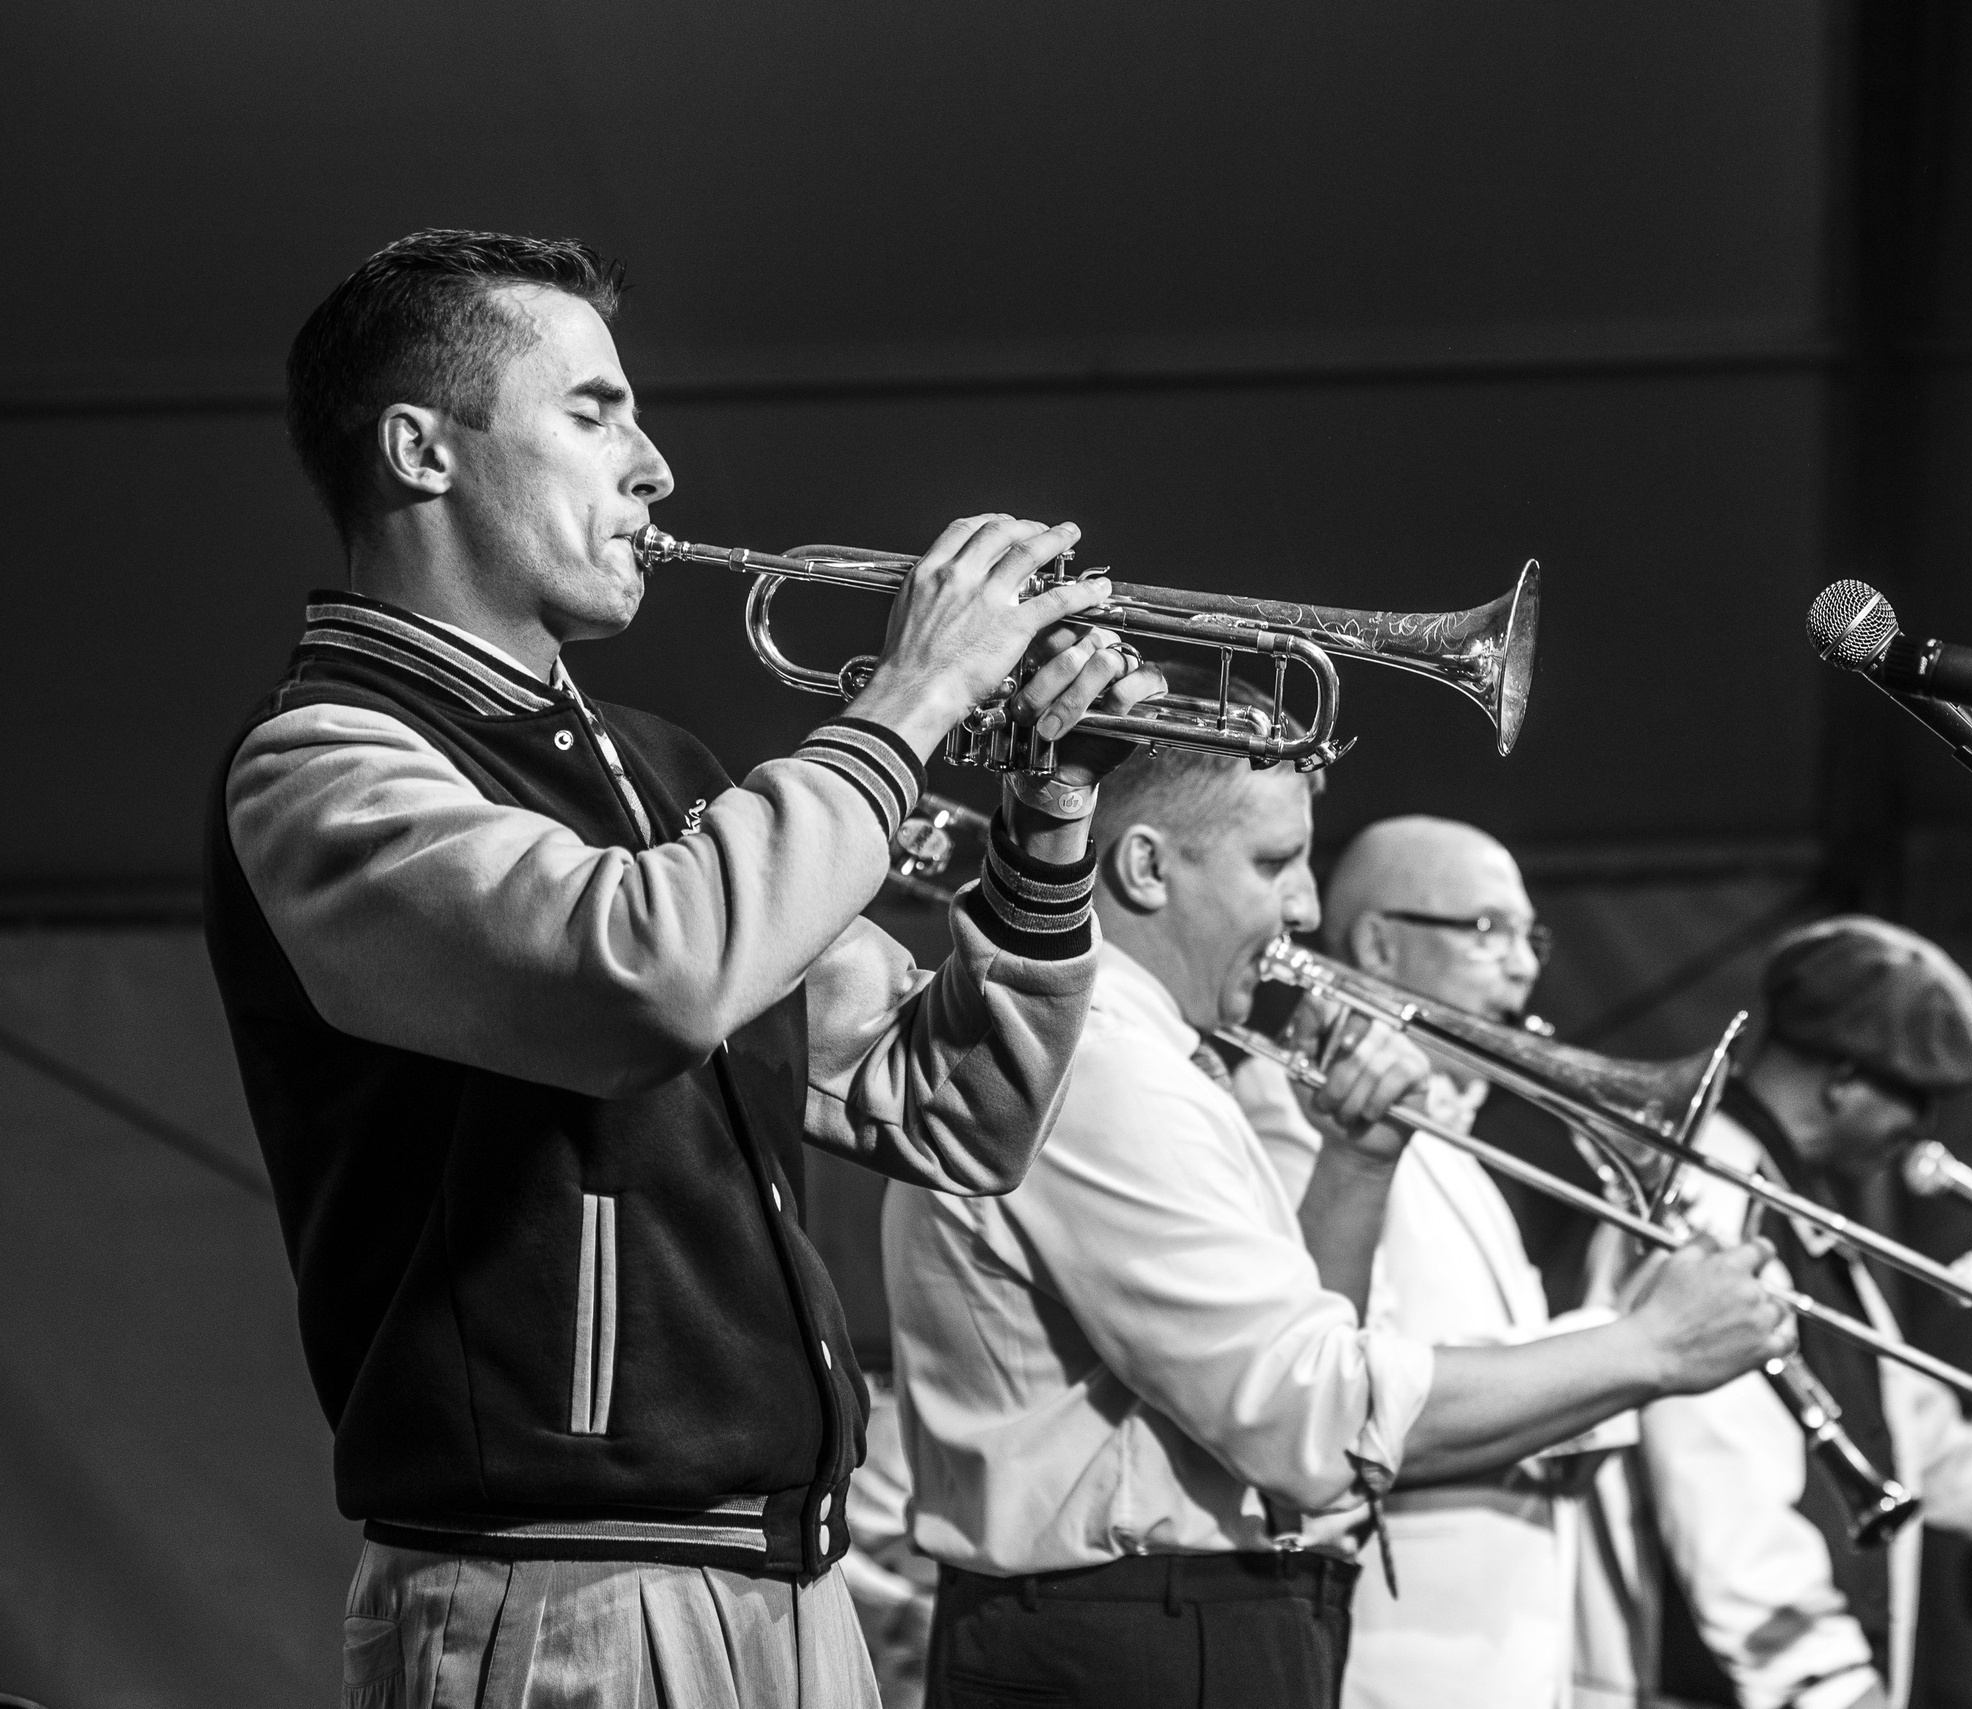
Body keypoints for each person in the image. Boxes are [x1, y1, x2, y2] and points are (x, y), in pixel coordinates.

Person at [204, 228, 1161, 1709]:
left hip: (789, 1585)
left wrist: (1046, 819)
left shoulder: (664, 778)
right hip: (562, 1590)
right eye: (594, 412)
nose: (654, 468)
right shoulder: (326, 765)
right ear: (420, 450)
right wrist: (911, 697)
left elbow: (950, 1111)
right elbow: (647, 971)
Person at [881, 670, 1796, 1709]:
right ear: (1143, 866)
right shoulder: (1096, 1063)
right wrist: (1650, 1347)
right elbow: (1302, 1415)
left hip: (1173, 1615)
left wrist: (1356, 1163)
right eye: (1275, 862)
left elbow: (1288, 1364)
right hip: (1129, 1628)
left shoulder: (1161, 1061)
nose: (1307, 908)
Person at [1574, 916, 1972, 1709]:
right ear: (1842, 1076)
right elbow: (1718, 1484)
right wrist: (1825, 1687)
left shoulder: (1795, 1204)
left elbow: (1899, 1418)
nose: (1921, 1128)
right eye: (1914, 1094)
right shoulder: (1712, 1200)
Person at [1228, 816, 1620, 1709]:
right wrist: (1626, 1351)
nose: (1524, 965)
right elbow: (1339, 1410)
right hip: (1394, 1666)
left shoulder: (1454, 1141)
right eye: (1488, 930)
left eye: (1532, 936)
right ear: (1379, 944)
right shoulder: (1295, 1114)